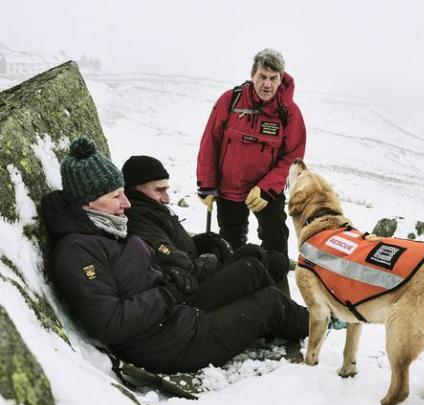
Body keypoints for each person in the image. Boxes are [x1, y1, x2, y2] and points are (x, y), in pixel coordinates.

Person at [42, 136, 309, 374]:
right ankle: (322, 326)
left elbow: (139, 274)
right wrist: (167, 291)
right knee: (270, 304)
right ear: (88, 202)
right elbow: (111, 322)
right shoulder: (76, 251)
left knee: (249, 271)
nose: (127, 203)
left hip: (176, 314)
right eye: (116, 196)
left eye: (124, 193)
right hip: (169, 344)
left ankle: (304, 320)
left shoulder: (107, 228)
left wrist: (171, 275)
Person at [196, 48, 306, 291]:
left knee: (276, 244)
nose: (267, 84)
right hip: (229, 189)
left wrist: (267, 189)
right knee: (231, 244)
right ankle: (235, 294)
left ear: (281, 78)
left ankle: (278, 298)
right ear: (252, 75)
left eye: (273, 78)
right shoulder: (230, 100)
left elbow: (294, 157)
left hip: (267, 193)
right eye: (262, 77)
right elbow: (210, 142)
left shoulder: (289, 112)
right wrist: (206, 184)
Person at [121, 154, 290, 309]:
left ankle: (278, 308)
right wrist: (209, 261)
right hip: (194, 287)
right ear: (135, 188)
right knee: (253, 265)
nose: (167, 198)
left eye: (166, 189)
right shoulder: (139, 218)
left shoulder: (151, 208)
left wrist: (205, 242)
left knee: (261, 255)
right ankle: (278, 311)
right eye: (159, 190)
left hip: (200, 272)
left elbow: (177, 244)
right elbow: (173, 261)